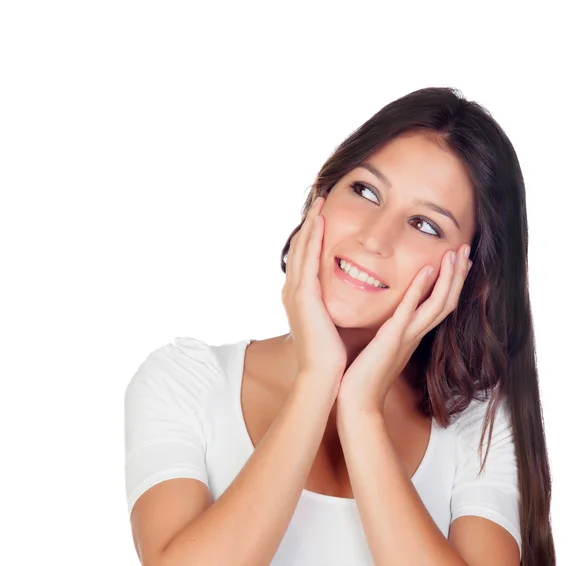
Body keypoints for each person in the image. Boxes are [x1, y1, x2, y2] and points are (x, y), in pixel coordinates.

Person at [124, 86, 555, 566]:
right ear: (320, 198)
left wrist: (361, 410)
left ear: (471, 275)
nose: (374, 237)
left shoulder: (477, 424)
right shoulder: (188, 380)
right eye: (366, 191)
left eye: (425, 225)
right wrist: (317, 379)